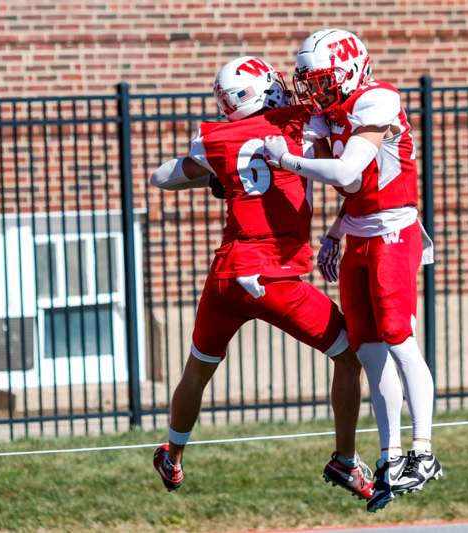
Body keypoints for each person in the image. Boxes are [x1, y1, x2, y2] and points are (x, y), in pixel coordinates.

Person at [148, 56, 374, 500]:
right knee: (348, 356)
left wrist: (220, 177)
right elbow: (341, 167)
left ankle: (172, 457)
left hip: (227, 276)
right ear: (261, 89)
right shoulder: (301, 124)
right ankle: (345, 461)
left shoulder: (214, 139)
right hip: (274, 278)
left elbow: (161, 176)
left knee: (197, 370)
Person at [263, 29, 441, 512]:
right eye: (310, 82)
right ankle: (391, 455)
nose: (315, 91)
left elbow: (347, 172)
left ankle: (423, 450)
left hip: (392, 233)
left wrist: (286, 159)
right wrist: (337, 231)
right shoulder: (331, 111)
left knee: (399, 339)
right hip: (360, 232)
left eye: (322, 80)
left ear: (350, 70)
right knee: (368, 349)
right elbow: (349, 180)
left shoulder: (377, 99)